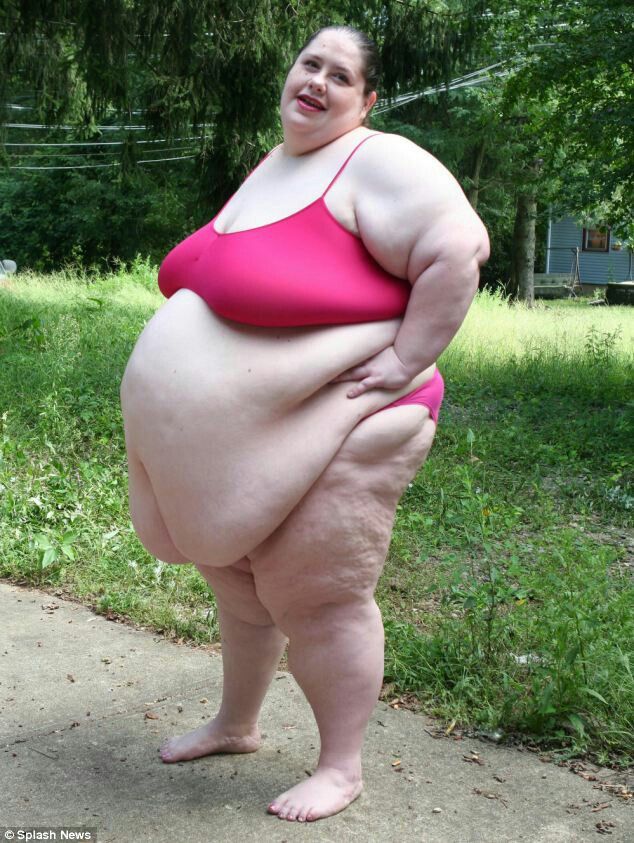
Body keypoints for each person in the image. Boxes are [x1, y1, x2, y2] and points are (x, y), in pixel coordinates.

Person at [120, 25, 489, 823]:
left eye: (340, 75)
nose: (318, 81)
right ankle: (237, 723)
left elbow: (458, 248)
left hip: (352, 417)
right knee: (240, 582)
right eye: (309, 63)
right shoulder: (278, 164)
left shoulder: (376, 161)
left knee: (316, 592)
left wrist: (406, 358)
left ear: (368, 100)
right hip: (269, 430)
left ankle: (340, 767)